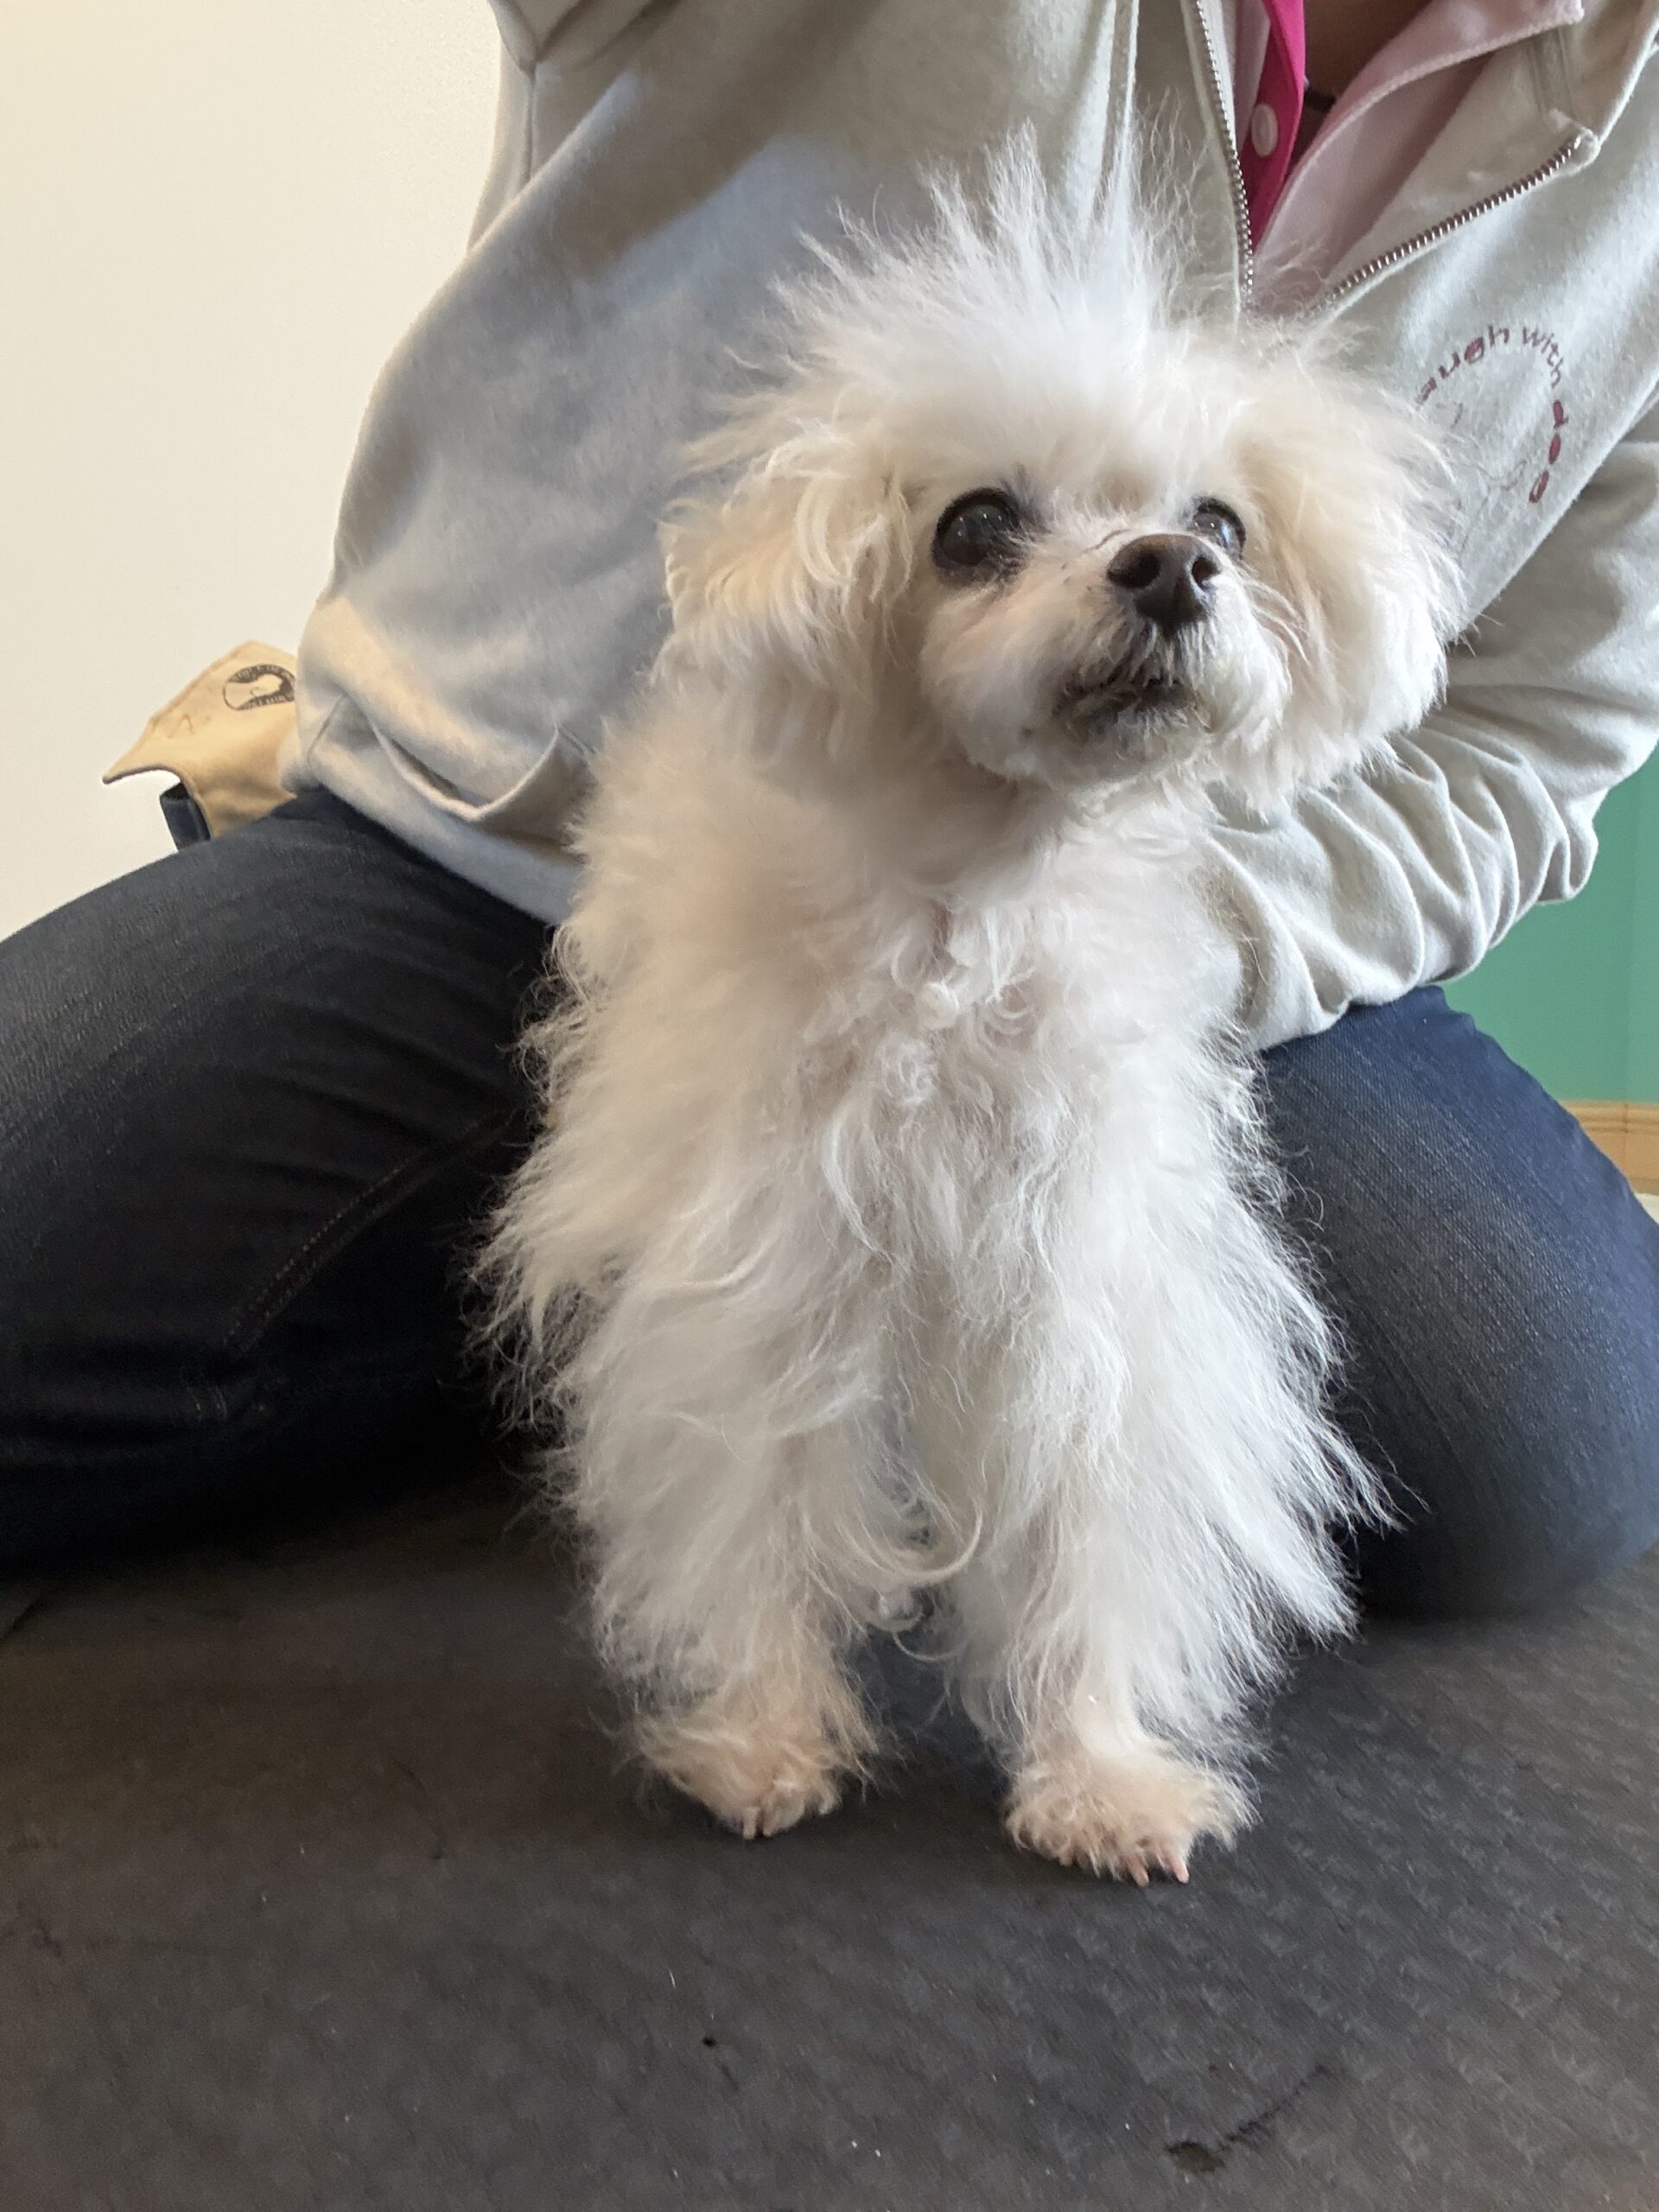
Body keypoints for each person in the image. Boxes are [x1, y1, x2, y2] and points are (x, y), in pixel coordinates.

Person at [3, 0, 1656, 1611]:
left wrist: (1166, 955)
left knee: (1553, 1438)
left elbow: (1532, 730)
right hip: (492, 848)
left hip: (1154, 917)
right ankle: (636, 1339)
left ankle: (654, 1336)